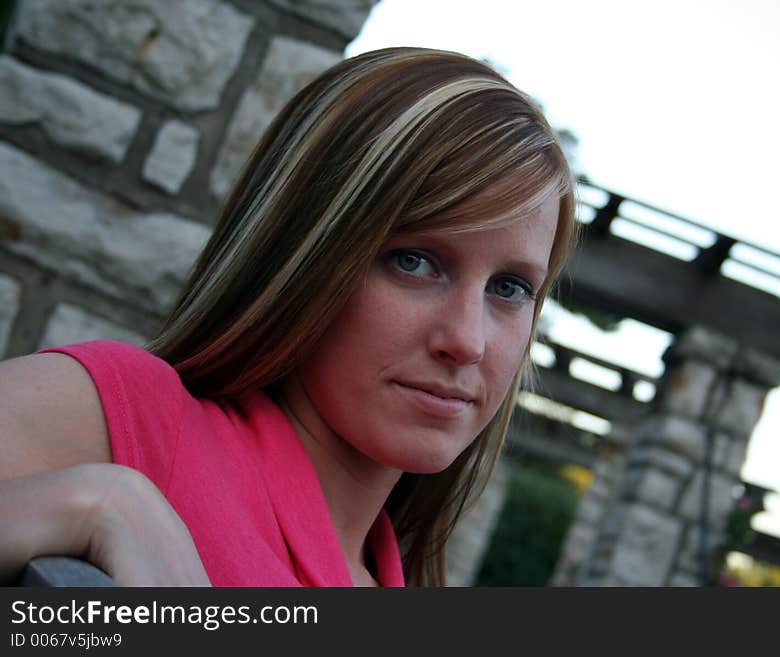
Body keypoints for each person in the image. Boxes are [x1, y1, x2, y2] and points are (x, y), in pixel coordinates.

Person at [0, 47, 577, 587]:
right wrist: (97, 505)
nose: (467, 340)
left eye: (510, 287)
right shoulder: (134, 417)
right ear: (308, 252)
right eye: (414, 261)